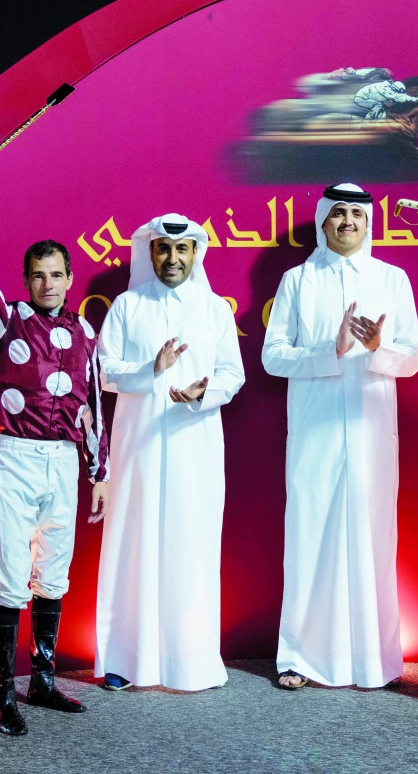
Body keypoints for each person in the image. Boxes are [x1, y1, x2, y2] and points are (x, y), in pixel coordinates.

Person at [0, 159, 109, 737]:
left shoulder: (87, 334)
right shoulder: (7, 319)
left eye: (56, 274)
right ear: (27, 281)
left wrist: (101, 470)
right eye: (37, 275)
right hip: (16, 457)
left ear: (71, 278)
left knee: (54, 573)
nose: (47, 283)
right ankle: (3, 695)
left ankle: (42, 680)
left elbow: (92, 403)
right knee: (11, 576)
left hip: (64, 462)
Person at [262, 183, 418, 689]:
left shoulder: (392, 278)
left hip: (373, 432)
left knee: (374, 538)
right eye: (338, 213)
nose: (348, 221)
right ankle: (299, 658)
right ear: (323, 221)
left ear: (368, 222)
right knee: (310, 535)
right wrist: (326, 353)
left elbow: (414, 356)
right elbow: (271, 356)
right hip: (315, 432)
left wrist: (378, 348)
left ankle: (375, 659)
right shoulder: (297, 280)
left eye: (356, 213)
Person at [94, 213, 245, 692]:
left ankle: (191, 660)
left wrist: (203, 393)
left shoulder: (215, 309)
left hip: (193, 445)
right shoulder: (126, 306)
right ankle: (124, 658)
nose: (173, 259)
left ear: (196, 253)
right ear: (151, 252)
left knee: (190, 543)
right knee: (132, 543)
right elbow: (104, 372)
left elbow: (233, 374)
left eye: (183, 250)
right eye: (163, 249)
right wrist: (151, 370)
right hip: (138, 447)